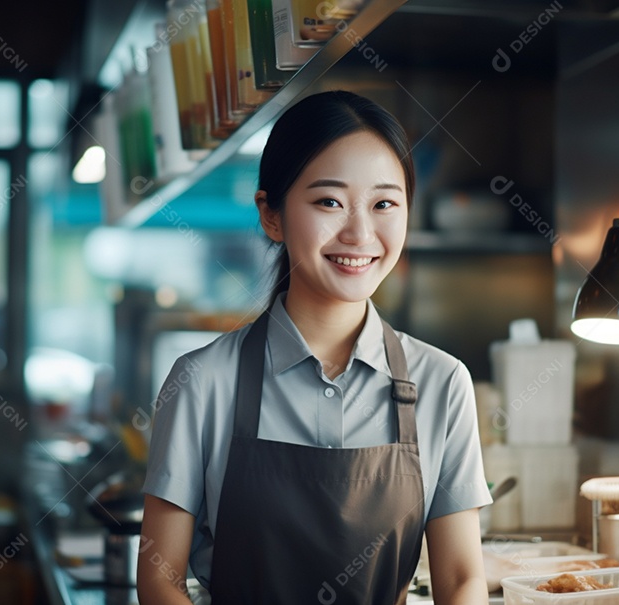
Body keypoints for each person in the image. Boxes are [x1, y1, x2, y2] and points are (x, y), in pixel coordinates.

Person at [138, 91, 491, 604]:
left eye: (384, 204)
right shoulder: (202, 381)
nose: (360, 232)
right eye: (329, 201)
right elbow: (158, 579)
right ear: (272, 215)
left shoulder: (443, 382)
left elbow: (462, 582)